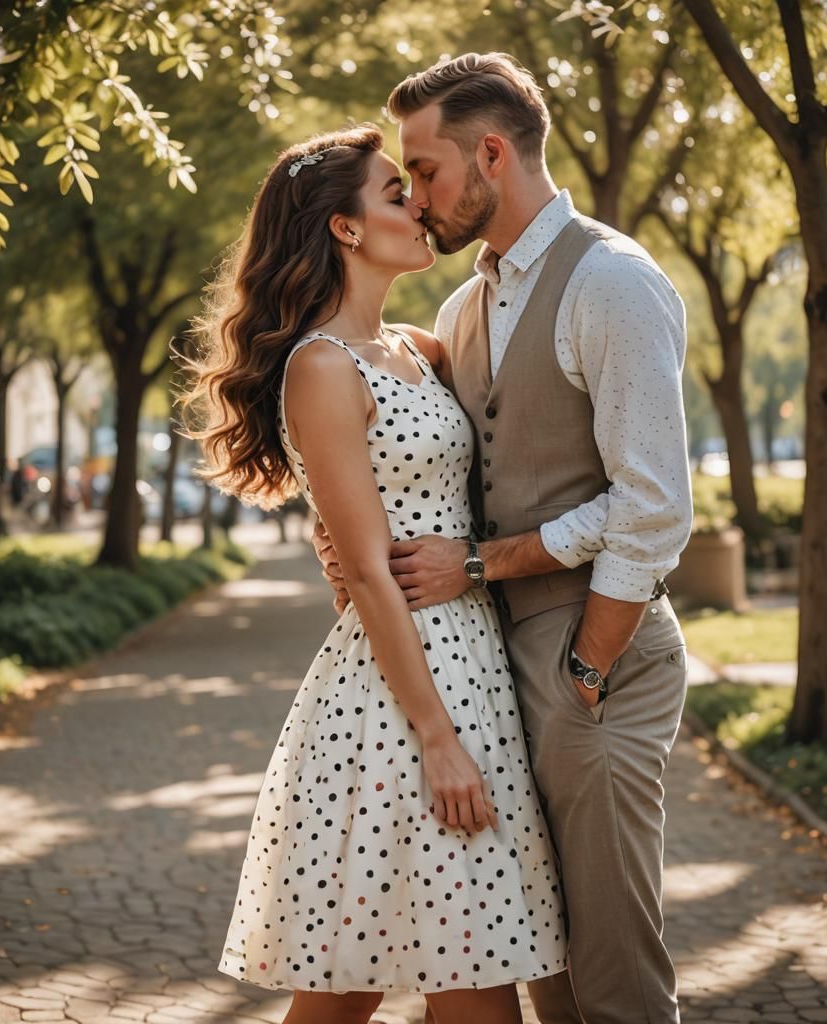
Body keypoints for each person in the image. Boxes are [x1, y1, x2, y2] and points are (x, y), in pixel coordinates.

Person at [315, 53, 694, 1024]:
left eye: (427, 171)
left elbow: (651, 506)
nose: (416, 194)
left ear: (491, 153)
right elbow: (450, 478)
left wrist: (587, 670)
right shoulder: (458, 305)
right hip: (489, 670)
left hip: (591, 655)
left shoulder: (611, 281)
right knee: (543, 963)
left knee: (614, 977)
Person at [181, 123, 568, 1024]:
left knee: (388, 977)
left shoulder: (423, 352)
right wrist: (436, 738)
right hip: (401, 702)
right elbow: (360, 568)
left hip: (475, 667)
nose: (420, 204)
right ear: (345, 229)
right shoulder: (322, 367)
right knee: (438, 986)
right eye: (397, 191)